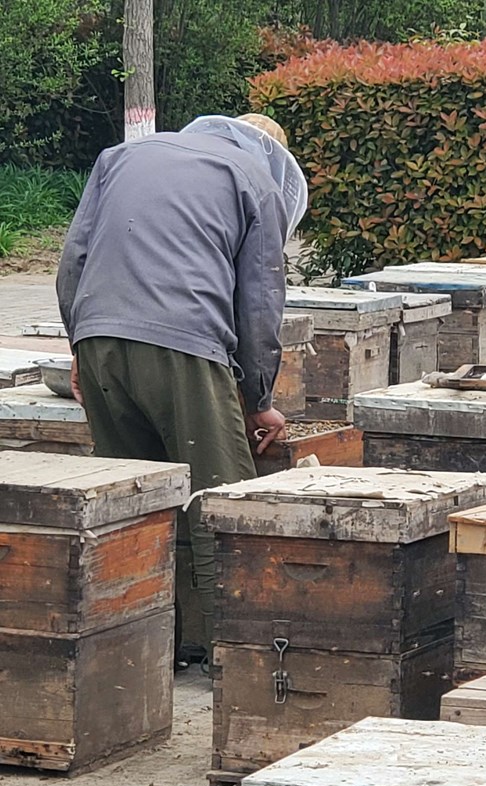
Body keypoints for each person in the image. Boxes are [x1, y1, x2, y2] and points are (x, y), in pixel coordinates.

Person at [56, 113, 308, 662]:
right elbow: (259, 305)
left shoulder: (121, 156)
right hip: (186, 346)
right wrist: (258, 400)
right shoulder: (256, 180)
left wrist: (82, 345)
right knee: (221, 509)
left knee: (130, 511)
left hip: (100, 342)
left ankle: (137, 661)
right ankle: (236, 662)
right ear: (272, 157)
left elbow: (73, 261)